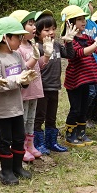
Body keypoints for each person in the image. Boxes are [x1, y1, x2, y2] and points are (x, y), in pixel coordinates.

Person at [0, 16, 36, 185]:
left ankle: (17, 167)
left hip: (16, 106)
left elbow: (22, 76)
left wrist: (26, 80)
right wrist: (17, 81)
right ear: (5, 38)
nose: (21, 40)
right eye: (17, 37)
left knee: (19, 138)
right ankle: (5, 171)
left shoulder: (17, 56)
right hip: (1, 109)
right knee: (5, 140)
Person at [61, 4, 97, 146]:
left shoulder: (86, 36)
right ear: (70, 23)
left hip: (87, 79)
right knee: (75, 108)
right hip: (75, 80)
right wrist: (95, 45)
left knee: (83, 107)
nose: (83, 22)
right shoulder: (69, 40)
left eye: (84, 19)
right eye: (79, 19)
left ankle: (81, 133)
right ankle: (70, 135)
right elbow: (79, 53)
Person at [10, 10, 49, 162]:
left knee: (31, 118)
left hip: (35, 87)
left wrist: (46, 54)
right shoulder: (18, 48)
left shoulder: (32, 44)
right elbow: (22, 69)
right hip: (24, 90)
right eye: (30, 24)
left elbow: (40, 65)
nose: (34, 27)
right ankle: (21, 147)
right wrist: (34, 57)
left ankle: (30, 145)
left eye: (34, 24)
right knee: (24, 118)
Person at [32, 11, 69, 154]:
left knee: (51, 116)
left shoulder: (57, 45)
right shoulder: (37, 48)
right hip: (41, 88)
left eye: (53, 29)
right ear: (37, 32)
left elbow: (69, 54)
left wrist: (69, 41)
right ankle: (37, 143)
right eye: (47, 30)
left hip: (54, 86)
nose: (51, 32)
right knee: (39, 116)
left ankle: (51, 142)